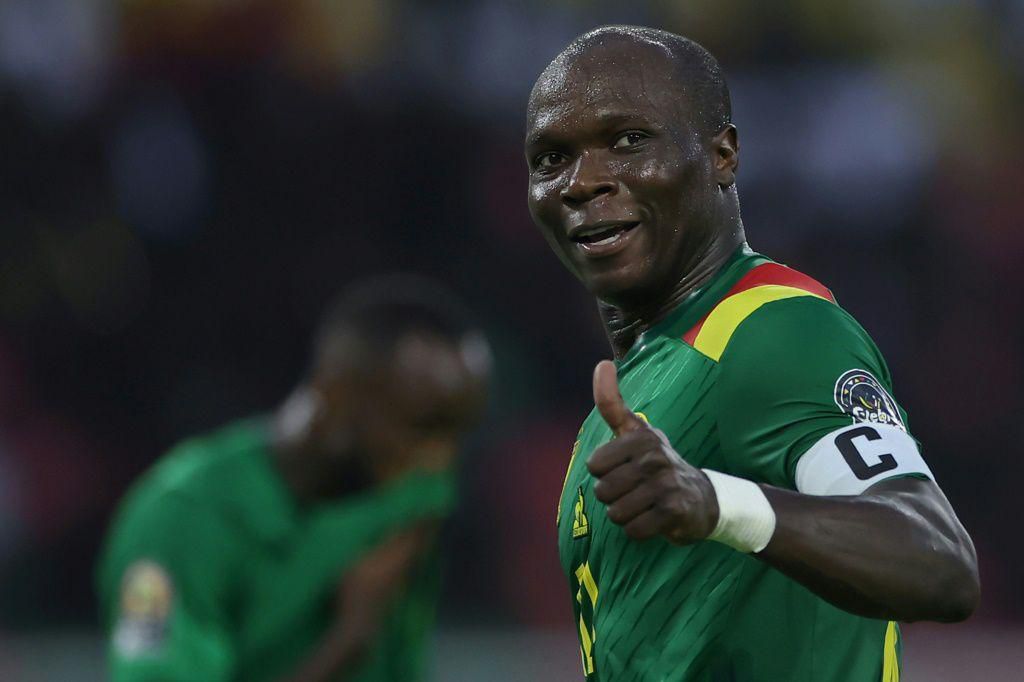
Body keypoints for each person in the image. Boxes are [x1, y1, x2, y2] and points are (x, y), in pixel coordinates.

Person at [525, 25, 978, 681]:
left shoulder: (771, 330)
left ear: (723, 156)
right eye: (550, 159)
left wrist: (717, 502)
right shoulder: (628, 397)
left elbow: (938, 560)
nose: (582, 181)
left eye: (629, 141)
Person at [96, 276, 491, 682]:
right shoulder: (180, 522)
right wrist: (344, 642)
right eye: (423, 427)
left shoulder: (412, 494)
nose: (441, 461)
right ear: (336, 397)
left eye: (458, 432)